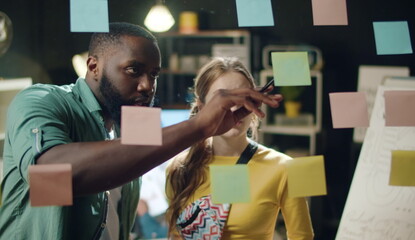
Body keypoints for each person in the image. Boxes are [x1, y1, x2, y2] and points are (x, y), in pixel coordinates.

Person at [0, 23, 282, 240]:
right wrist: (199, 126)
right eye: (134, 70)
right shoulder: (41, 100)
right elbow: (52, 176)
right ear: (94, 66)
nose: (148, 85)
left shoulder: (132, 123)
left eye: (154, 74)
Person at [166, 57, 314, 240]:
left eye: (242, 97)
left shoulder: (286, 167)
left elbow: (302, 237)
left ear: (255, 102)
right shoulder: (179, 167)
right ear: (202, 107)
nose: (234, 107)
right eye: (223, 98)